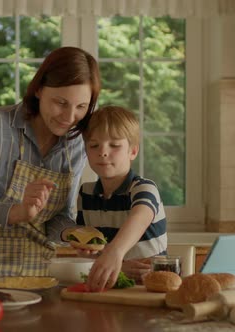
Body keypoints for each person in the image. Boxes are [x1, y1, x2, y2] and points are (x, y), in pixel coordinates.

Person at [0, 46, 101, 278]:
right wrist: (16, 212)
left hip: (37, 276)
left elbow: (58, 216)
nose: (69, 117)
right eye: (61, 102)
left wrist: (73, 234)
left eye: (81, 107)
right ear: (38, 90)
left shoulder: (74, 145)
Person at [63, 105, 167, 292]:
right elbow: (92, 254)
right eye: (94, 145)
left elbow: (140, 217)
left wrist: (114, 254)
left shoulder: (143, 187)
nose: (103, 152)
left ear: (133, 152)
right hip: (110, 289)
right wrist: (104, 261)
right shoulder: (86, 194)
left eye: (115, 145)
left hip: (148, 289)